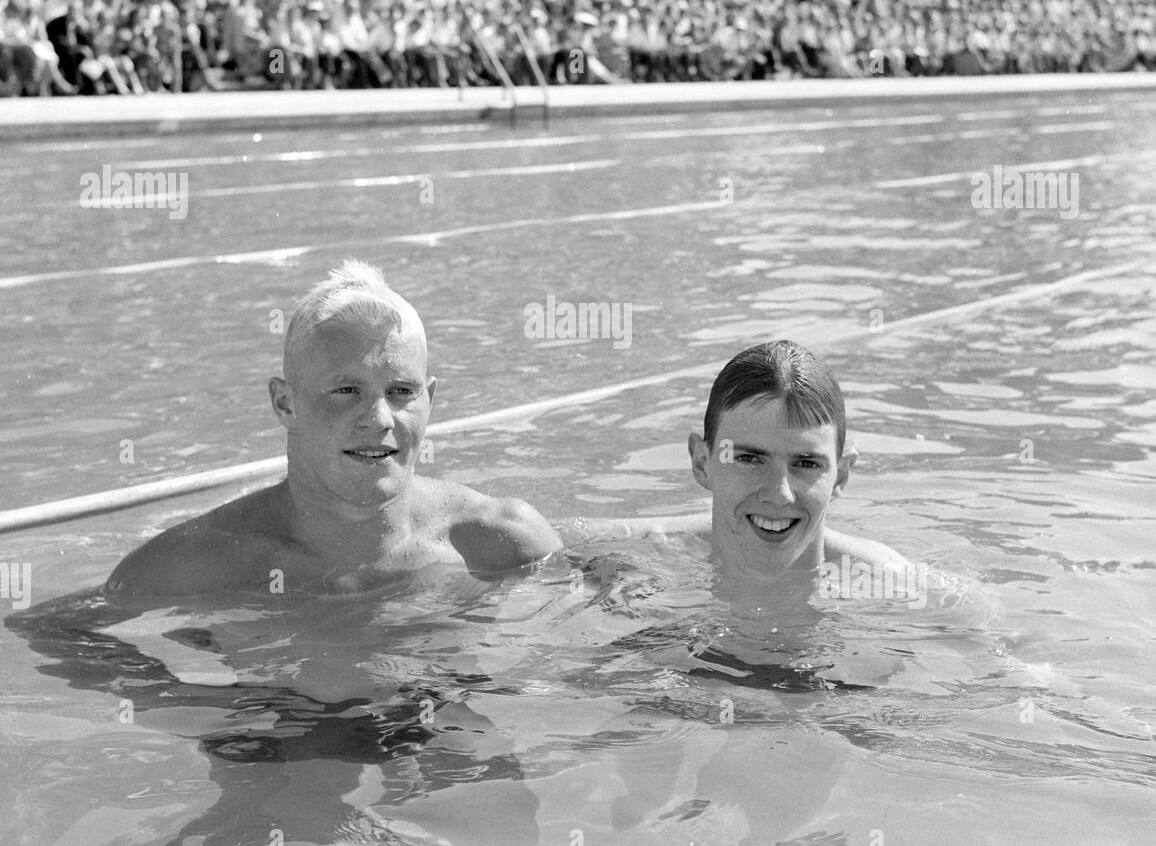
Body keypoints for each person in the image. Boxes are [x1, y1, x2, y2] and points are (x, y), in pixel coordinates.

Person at [106, 260, 562, 600]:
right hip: (275, 725)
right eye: (346, 390)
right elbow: (60, 636)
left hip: (449, 716)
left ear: (430, 400)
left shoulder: (497, 539)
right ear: (285, 404)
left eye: (402, 390)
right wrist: (191, 703)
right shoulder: (203, 564)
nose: (380, 418)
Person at [598, 341, 905, 589]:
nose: (778, 493)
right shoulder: (647, 554)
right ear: (703, 462)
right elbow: (554, 549)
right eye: (748, 459)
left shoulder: (890, 587)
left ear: (841, 476)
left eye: (807, 463)